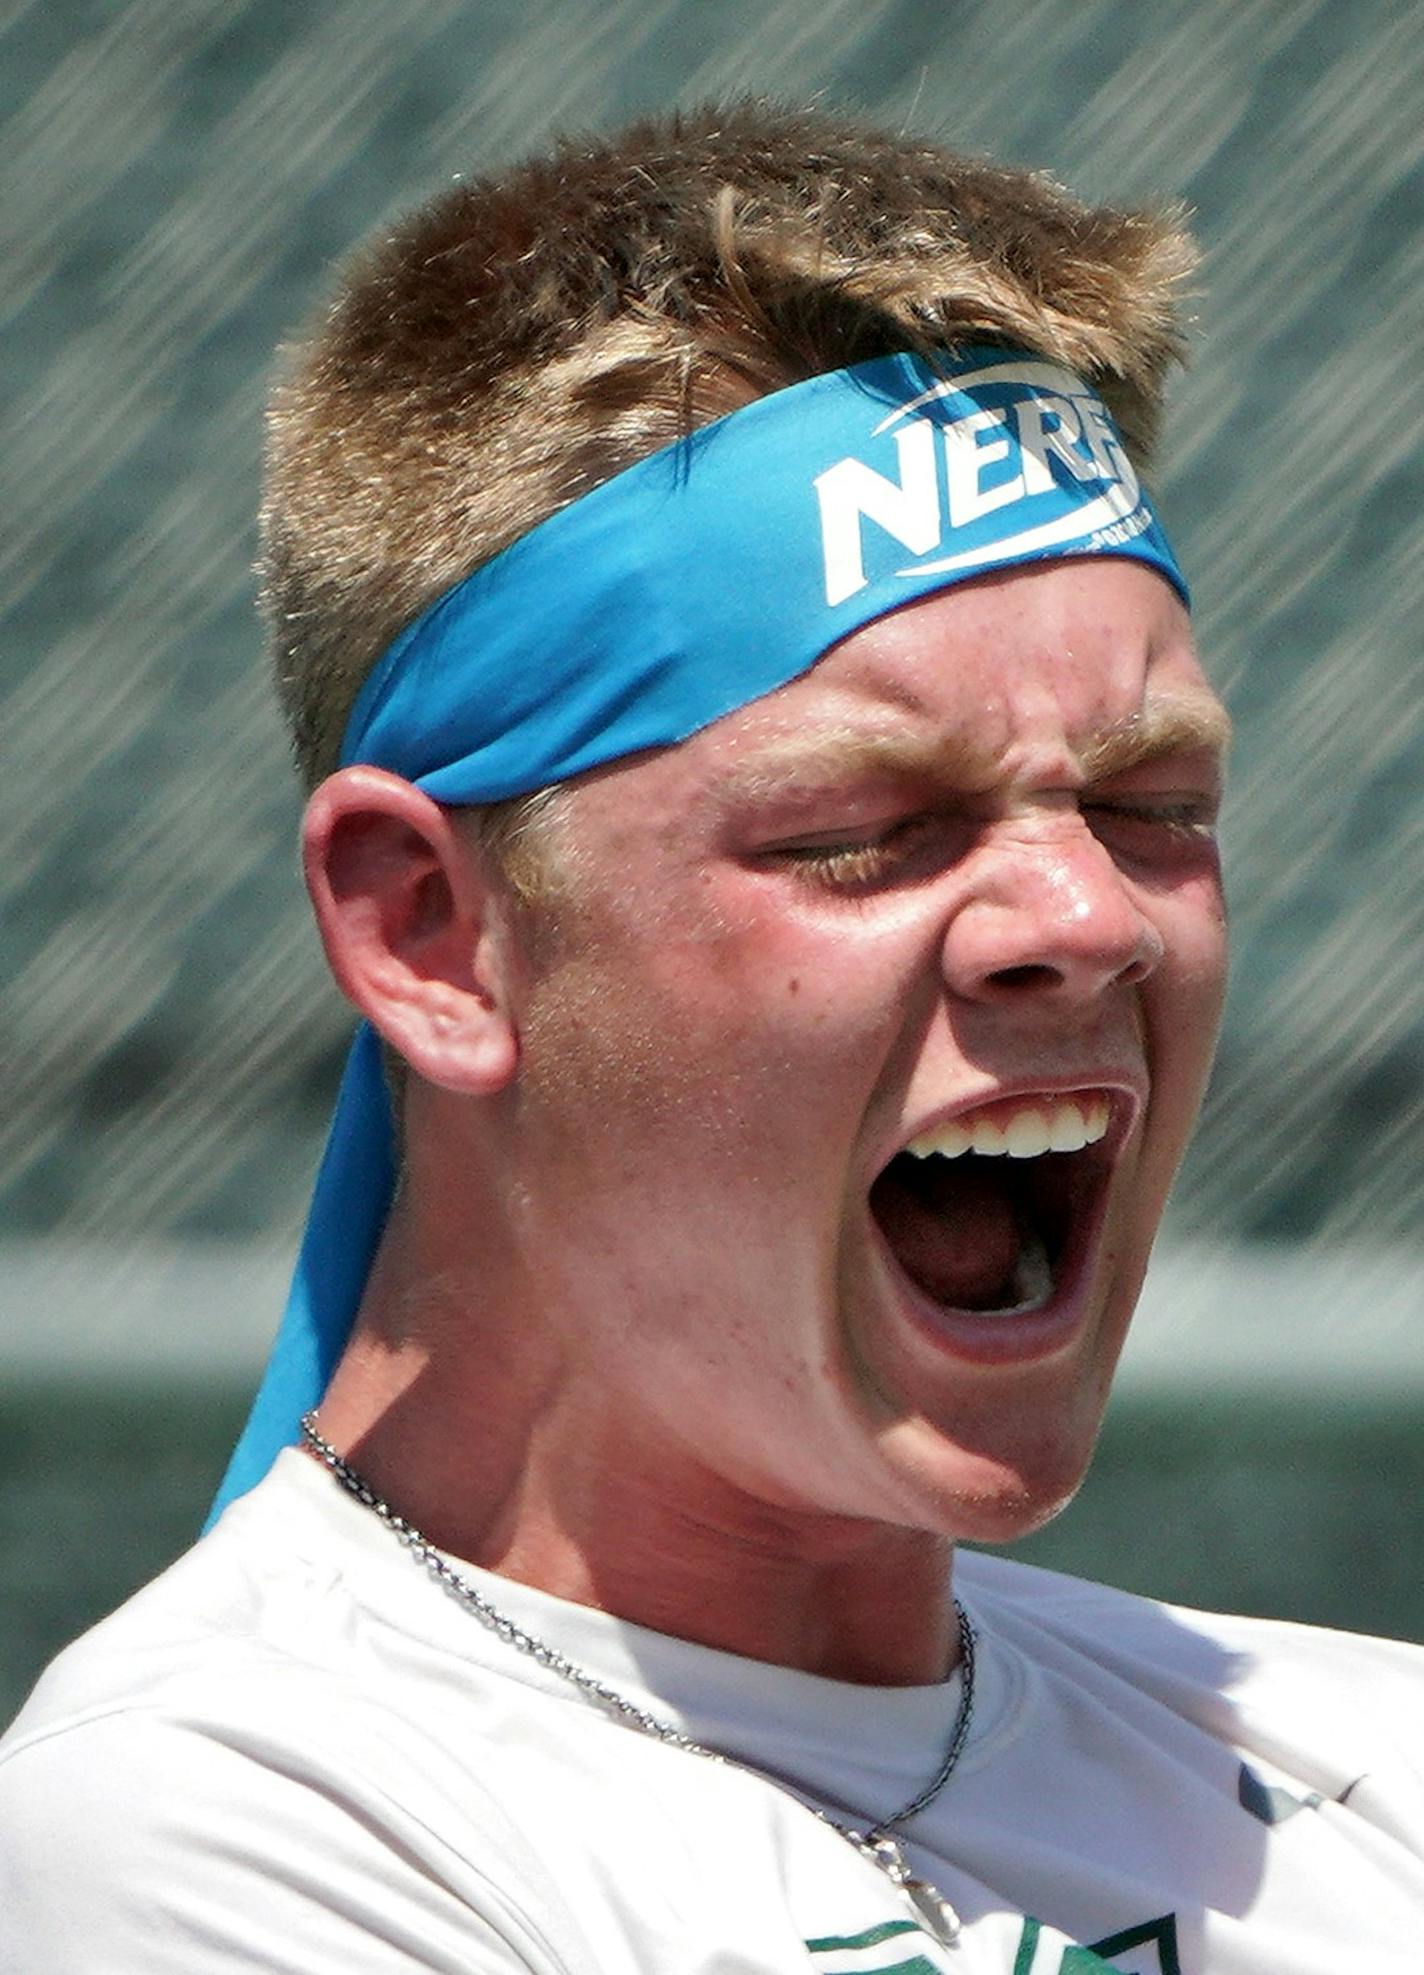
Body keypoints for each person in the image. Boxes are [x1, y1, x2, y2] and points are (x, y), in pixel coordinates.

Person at [2, 103, 1420, 1973]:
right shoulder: (228, 1826)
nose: (1084, 922)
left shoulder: (1359, 1767)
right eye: (865, 831)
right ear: (431, 933)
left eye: (1154, 805)